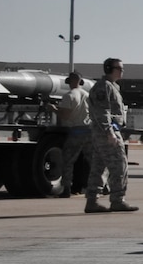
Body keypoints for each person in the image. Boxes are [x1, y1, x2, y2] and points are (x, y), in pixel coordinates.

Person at [85, 57, 138, 213]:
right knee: (119, 166)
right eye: (118, 68)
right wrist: (109, 132)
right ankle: (117, 199)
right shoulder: (103, 87)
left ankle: (92, 201)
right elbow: (103, 112)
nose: (122, 71)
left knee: (98, 167)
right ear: (109, 69)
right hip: (107, 133)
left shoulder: (111, 86)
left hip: (105, 132)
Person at [54, 71, 91, 198]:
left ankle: (66, 189)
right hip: (89, 132)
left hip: (76, 132)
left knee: (68, 161)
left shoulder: (69, 95)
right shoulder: (87, 95)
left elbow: (66, 115)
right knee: (93, 161)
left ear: (68, 81)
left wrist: (53, 109)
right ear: (81, 82)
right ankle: (103, 187)